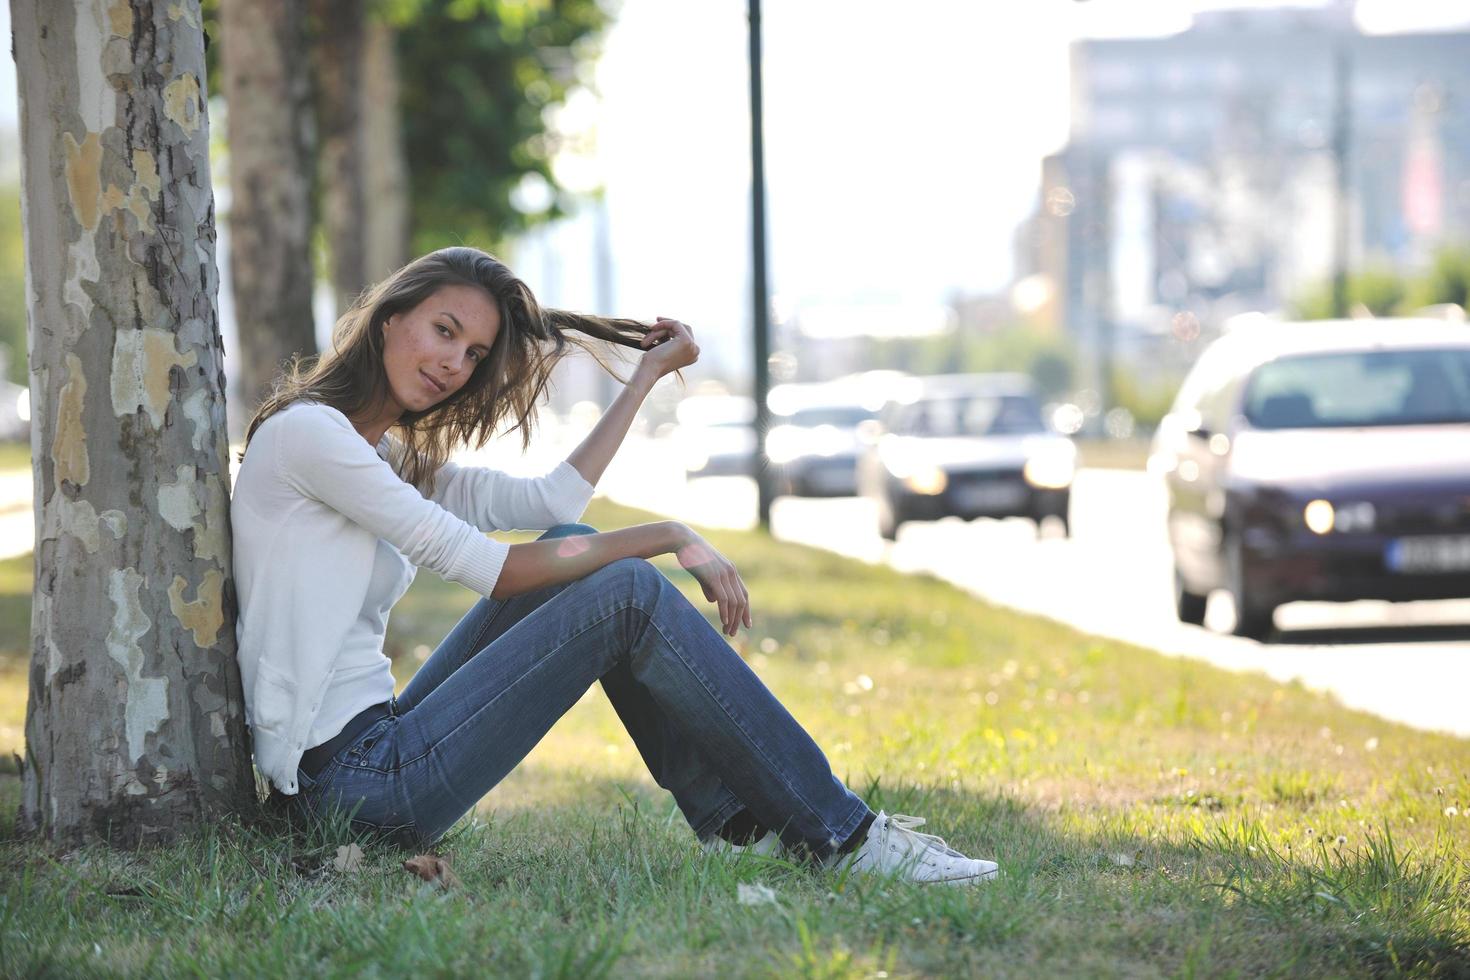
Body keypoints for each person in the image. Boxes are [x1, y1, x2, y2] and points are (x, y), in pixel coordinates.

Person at [232, 246, 998, 885]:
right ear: (390, 317)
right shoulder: (312, 439)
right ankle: (847, 837)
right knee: (626, 590)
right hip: (355, 783)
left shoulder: (380, 452)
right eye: (442, 330)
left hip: (376, 745)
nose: (453, 364)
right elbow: (493, 571)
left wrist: (646, 378)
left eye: (471, 354)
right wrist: (662, 535)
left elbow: (548, 498)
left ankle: (739, 830)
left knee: (584, 549)